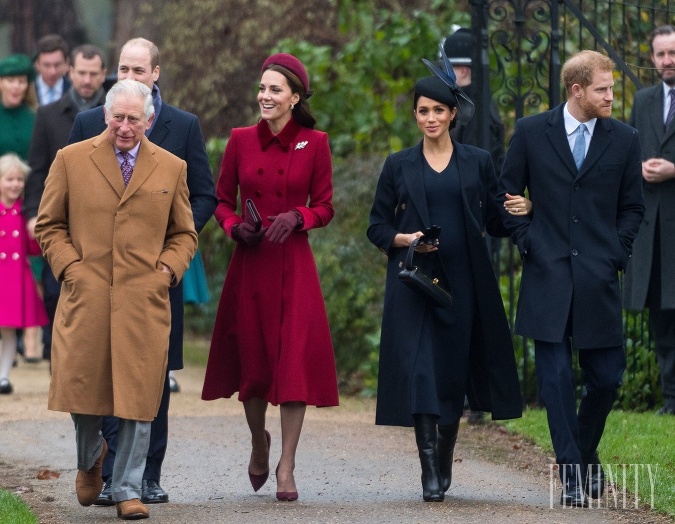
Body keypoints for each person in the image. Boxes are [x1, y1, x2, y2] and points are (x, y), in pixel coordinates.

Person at [35, 79, 198, 520]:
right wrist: (71, 268)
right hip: (85, 298)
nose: (125, 128)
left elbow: (184, 233)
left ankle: (127, 488)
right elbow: (49, 225)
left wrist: (166, 270)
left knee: (140, 399)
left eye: (134, 119)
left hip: (143, 302)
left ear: (149, 119)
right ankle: (91, 459)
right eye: (118, 118)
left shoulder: (171, 167)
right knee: (83, 395)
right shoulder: (71, 159)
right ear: (105, 116)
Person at [68, 37, 216, 506]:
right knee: (93, 378)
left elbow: (202, 196)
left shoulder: (182, 127)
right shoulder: (91, 124)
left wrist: (166, 263)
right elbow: (67, 202)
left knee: (150, 378)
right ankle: (105, 468)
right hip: (94, 282)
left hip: (152, 281)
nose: (129, 77)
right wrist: (73, 267)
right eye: (123, 68)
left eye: (139, 69)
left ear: (156, 73)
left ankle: (143, 477)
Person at [367, 72, 525, 503]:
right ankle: (428, 470)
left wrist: (525, 209)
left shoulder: (477, 161)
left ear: (453, 114)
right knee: (421, 372)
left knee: (452, 374)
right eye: (423, 111)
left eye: (439, 110)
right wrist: (405, 239)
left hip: (465, 279)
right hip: (415, 280)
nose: (431, 118)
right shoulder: (398, 164)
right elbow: (377, 226)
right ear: (415, 115)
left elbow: (495, 221)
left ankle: (444, 454)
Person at [497, 50, 645, 507]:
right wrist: (530, 240)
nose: (611, 96)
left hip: (598, 275)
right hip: (548, 273)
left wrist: (615, 254)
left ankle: (582, 453)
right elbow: (503, 199)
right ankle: (572, 472)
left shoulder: (624, 139)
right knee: (556, 377)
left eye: (612, 88)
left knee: (607, 378)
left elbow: (633, 207)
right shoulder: (530, 132)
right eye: (602, 89)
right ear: (577, 90)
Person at [201, 53, 339, 501]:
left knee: (294, 362)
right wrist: (231, 226)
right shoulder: (239, 140)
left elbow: (326, 206)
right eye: (262, 88)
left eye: (275, 89)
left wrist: (299, 217)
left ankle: (287, 465)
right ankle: (259, 440)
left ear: (294, 97)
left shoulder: (315, 143)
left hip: (294, 265)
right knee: (255, 363)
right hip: (252, 263)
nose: (265, 96)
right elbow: (221, 201)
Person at [24, 44, 108, 363]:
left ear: (103, 74)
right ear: (70, 72)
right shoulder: (47, 115)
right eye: (81, 72)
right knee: (55, 287)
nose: (87, 80)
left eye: (93, 73)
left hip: (101, 218)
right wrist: (33, 213)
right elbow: (37, 169)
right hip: (60, 218)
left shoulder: (116, 115)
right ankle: (57, 351)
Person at [443, 26, 507, 426]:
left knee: (476, 311)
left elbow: (489, 173)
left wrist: (482, 219)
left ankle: (476, 396)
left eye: (465, 68)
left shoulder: (481, 111)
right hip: (451, 224)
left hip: (477, 226)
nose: (460, 73)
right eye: (456, 67)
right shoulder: (454, 104)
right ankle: (459, 392)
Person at [623, 25, 675, 416]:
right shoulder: (643, 100)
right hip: (653, 230)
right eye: (660, 54)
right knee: (662, 317)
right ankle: (670, 402)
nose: (667, 60)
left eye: (672, 53)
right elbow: (627, 150)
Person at [0, 153, 48, 394]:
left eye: (20, 179)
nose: (15, 184)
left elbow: (33, 250)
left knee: (9, 331)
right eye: (9, 179)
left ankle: (3, 376)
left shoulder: (25, 213)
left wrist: (36, 233)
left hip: (16, 278)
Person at [33, 34, 71, 106]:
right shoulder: (26, 92)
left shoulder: (74, 91)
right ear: (37, 64)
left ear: (67, 63)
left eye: (57, 65)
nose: (53, 72)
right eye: (47, 65)